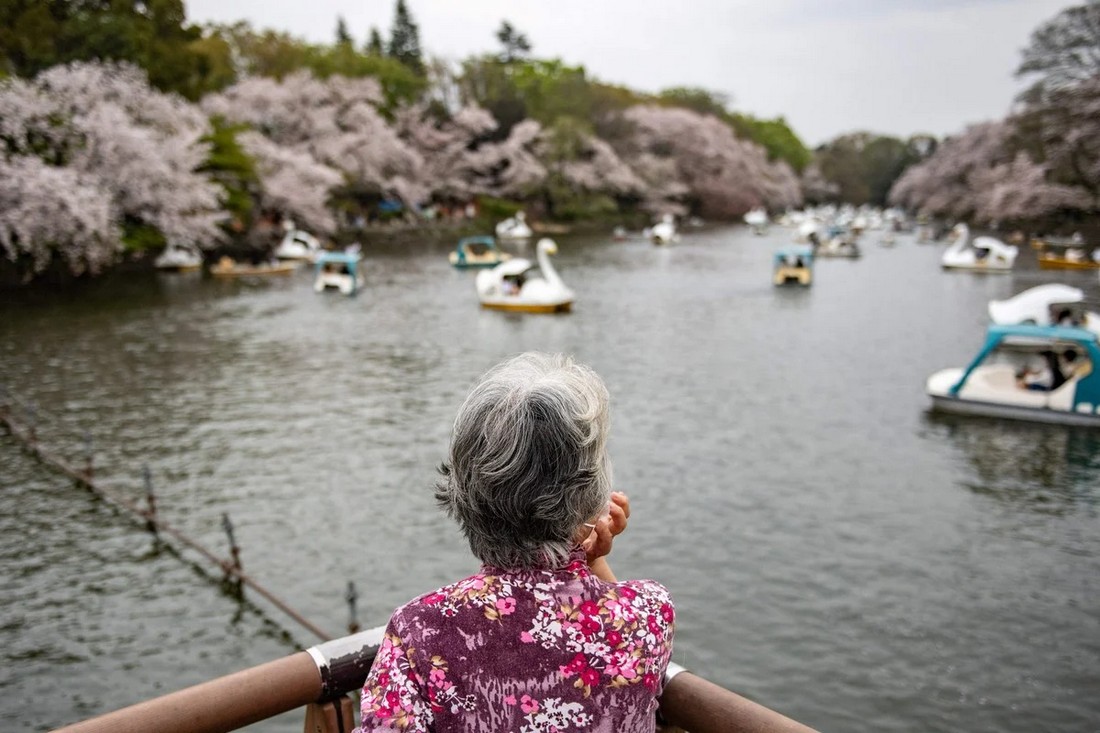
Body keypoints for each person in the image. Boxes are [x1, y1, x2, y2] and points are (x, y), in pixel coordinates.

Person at [355, 353, 675, 732]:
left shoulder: (419, 632)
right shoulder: (649, 613)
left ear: (463, 492)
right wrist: (591, 558)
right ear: (590, 494)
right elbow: (608, 627)